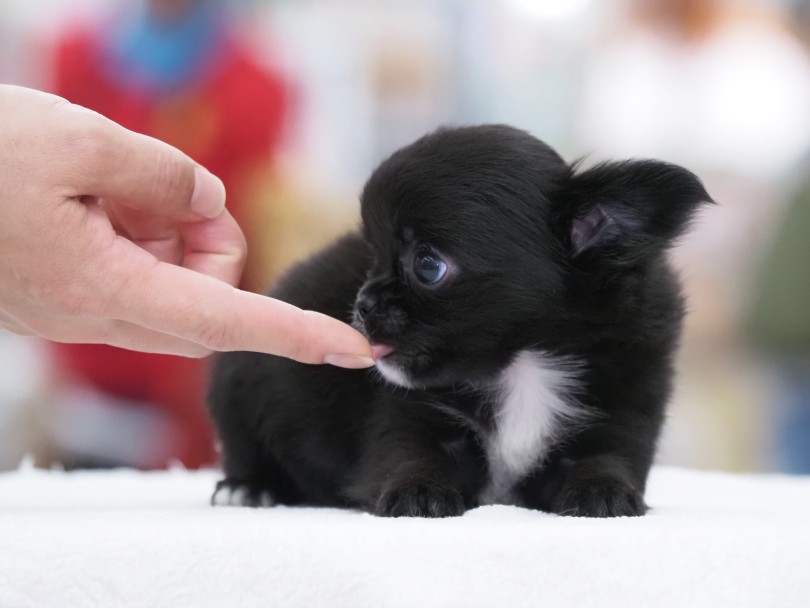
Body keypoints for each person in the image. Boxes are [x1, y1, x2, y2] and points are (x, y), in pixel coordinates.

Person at [0, 84, 374, 369]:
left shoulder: (260, 83)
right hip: (83, 356)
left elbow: (265, 198)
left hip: (199, 340)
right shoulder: (77, 53)